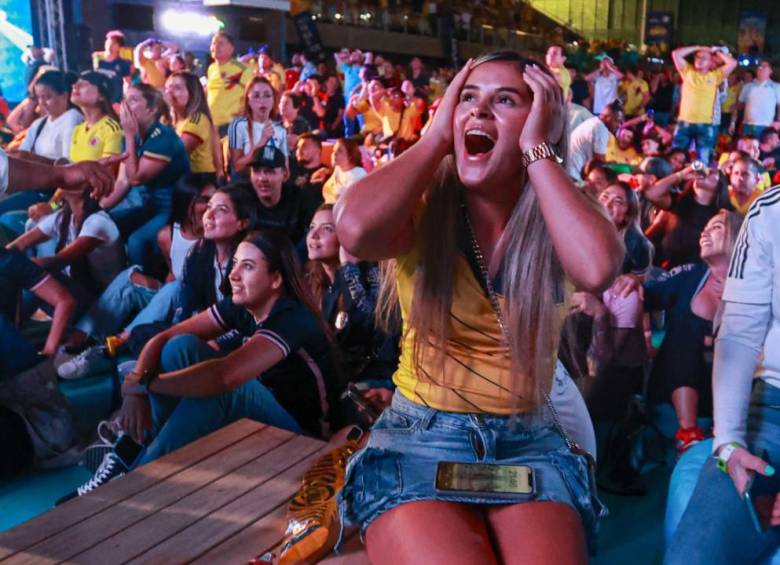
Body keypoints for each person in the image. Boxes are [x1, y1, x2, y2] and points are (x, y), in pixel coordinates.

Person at [335, 52, 622, 564]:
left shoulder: (558, 206)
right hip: (421, 438)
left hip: (526, 442)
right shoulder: (422, 202)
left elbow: (599, 268)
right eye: (468, 97)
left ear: (543, 117)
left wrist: (540, 153)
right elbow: (354, 231)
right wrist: (434, 139)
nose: (480, 112)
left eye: (505, 100)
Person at [61, 230, 338, 502]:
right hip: (263, 421)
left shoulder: (291, 317)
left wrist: (143, 384)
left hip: (306, 442)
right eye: (236, 263)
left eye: (249, 266)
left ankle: (136, 481)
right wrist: (135, 385)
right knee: (179, 348)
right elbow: (165, 337)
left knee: (226, 391)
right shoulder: (244, 305)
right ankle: (128, 456)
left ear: (276, 279)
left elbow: (224, 377)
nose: (234, 273)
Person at [663, 189, 780, 564]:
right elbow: (741, 332)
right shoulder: (770, 211)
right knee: (693, 556)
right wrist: (729, 443)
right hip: (773, 406)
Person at [101, 84, 190, 275]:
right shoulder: (132, 137)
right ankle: (116, 282)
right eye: (125, 99)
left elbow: (135, 179)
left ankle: (146, 287)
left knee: (137, 241)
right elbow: (122, 182)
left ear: (152, 109)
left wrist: (129, 135)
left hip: (173, 207)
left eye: (133, 100)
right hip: (148, 206)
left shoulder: (162, 137)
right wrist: (99, 209)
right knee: (105, 223)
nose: (125, 106)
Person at [671, 45, 737, 165]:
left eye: (704, 58)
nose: (700, 60)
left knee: (703, 160)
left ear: (711, 61)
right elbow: (676, 54)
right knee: (675, 156)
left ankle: (698, 183)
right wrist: (698, 47)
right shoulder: (687, 72)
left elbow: (732, 63)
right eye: (697, 57)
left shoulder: (716, 76)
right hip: (684, 123)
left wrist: (715, 51)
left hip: (706, 125)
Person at [228, 76, 287, 177]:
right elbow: (237, 167)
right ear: (248, 100)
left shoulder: (279, 129)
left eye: (267, 96)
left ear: (273, 100)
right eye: (256, 96)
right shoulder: (239, 125)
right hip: (246, 183)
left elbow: (286, 171)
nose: (262, 101)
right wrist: (261, 142)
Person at [164, 71, 220, 175]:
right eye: (167, 88)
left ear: (192, 93)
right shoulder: (170, 120)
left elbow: (176, 152)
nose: (169, 92)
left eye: (177, 88)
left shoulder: (198, 119)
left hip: (198, 179)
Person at [248, 144, 306, 243]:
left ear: (284, 174)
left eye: (269, 171)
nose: (262, 178)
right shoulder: (242, 197)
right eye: (256, 171)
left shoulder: (298, 199)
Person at [206, 32, 253, 136]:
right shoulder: (211, 68)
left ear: (231, 48)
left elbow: (253, 95)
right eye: (213, 43)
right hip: (211, 125)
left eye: (220, 43)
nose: (215, 46)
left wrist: (244, 113)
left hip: (231, 125)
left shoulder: (243, 69)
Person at [566, 100, 623, 182]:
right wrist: (618, 168)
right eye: (617, 120)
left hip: (568, 170)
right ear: (608, 117)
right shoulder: (600, 128)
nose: (619, 125)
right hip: (572, 175)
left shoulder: (594, 122)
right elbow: (598, 164)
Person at [731, 60, 780, 138]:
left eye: (764, 66)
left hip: (767, 126)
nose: (761, 68)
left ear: (770, 70)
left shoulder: (776, 87)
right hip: (748, 125)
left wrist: (778, 122)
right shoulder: (748, 86)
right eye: (759, 66)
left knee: (763, 148)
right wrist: (733, 122)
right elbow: (740, 106)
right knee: (747, 148)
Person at [322, 138, 368, 204]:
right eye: (333, 150)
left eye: (339, 151)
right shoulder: (338, 169)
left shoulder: (359, 174)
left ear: (350, 156)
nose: (334, 153)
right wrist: (326, 171)